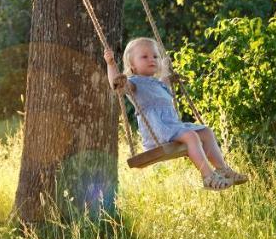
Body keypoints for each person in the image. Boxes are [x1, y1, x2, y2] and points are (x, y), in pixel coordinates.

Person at [104, 37, 248, 191]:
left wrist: (168, 70)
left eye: (155, 56)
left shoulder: (159, 83)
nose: (151, 59)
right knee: (191, 136)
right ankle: (208, 177)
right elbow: (116, 84)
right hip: (158, 132)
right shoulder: (133, 83)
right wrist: (111, 63)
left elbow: (164, 77)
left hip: (173, 127)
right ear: (132, 65)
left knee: (206, 132)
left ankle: (223, 170)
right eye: (144, 57)